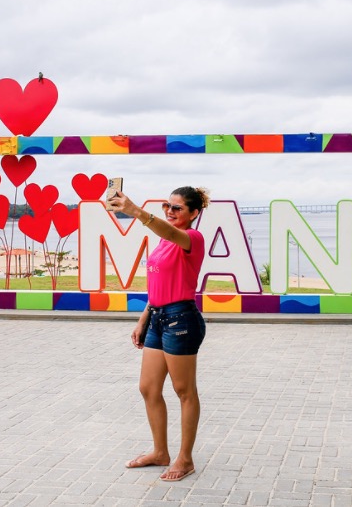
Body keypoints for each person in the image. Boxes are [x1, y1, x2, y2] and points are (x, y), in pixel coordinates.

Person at [109, 185, 210, 482]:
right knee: (148, 388)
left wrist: (135, 211)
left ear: (194, 213)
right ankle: (160, 452)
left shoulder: (191, 238)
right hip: (157, 317)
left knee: (184, 391)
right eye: (168, 205)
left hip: (181, 319)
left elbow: (166, 230)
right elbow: (158, 286)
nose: (170, 211)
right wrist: (143, 319)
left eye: (178, 208)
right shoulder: (164, 241)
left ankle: (185, 459)